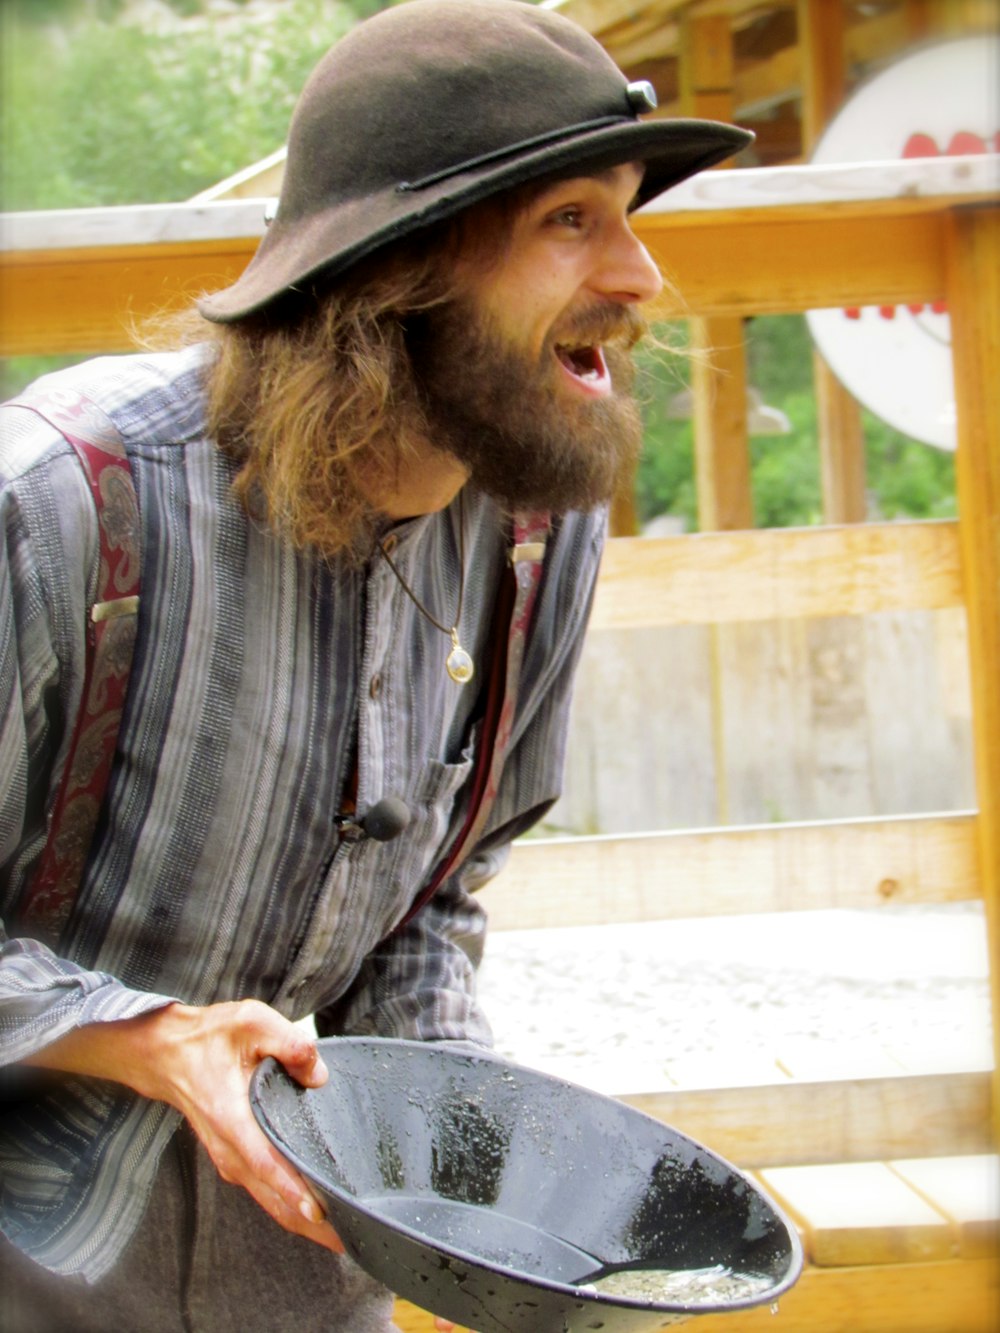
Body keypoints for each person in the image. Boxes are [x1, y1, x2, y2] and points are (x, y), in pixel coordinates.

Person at [0, 1, 750, 1328]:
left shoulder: (537, 540)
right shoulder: (68, 504)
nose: (640, 278)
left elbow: (439, 892)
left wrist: (479, 1166)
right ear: (400, 266)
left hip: (312, 1280)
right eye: (570, 220)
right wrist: (142, 1036)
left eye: (630, 214)